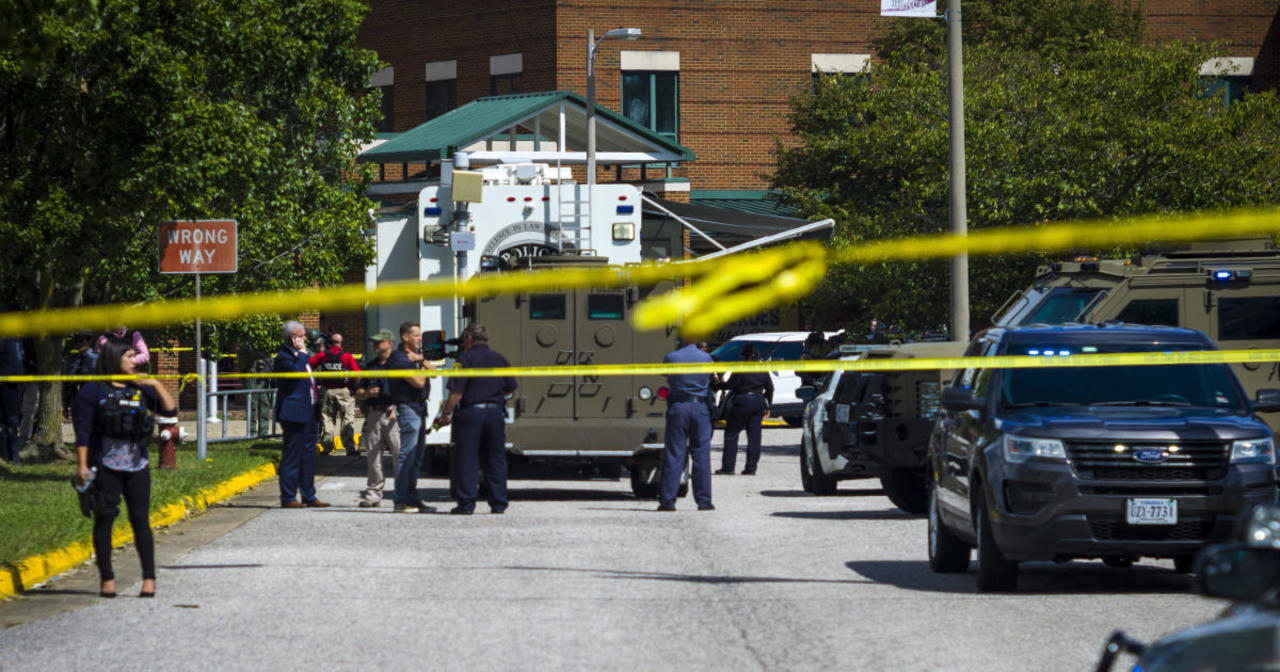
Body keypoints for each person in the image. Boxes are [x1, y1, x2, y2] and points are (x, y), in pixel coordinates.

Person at [72, 338, 176, 598]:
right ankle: (107, 578)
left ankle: (149, 578)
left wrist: (154, 383)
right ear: (114, 358)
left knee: (140, 520)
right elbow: (82, 432)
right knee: (104, 520)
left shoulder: (140, 388)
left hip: (137, 465)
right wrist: (82, 465)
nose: (134, 360)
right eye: (129, 356)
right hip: (106, 465)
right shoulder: (92, 391)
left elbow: (170, 409)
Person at [438, 324, 517, 515]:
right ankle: (498, 502)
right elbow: (511, 387)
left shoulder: (465, 360)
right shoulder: (500, 359)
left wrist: (446, 413)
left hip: (471, 414)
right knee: (495, 458)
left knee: (466, 458)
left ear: (469, 340)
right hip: (494, 413)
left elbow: (456, 393)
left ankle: (466, 504)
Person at [272, 320, 330, 509]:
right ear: (292, 338)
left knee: (308, 455)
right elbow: (296, 374)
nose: (305, 339)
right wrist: (303, 353)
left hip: (309, 411)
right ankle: (288, 497)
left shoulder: (300, 356)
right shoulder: (284, 357)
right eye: (301, 335)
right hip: (293, 413)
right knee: (292, 456)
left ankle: (309, 495)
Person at [658, 335, 715, 512]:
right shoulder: (706, 358)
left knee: (675, 454)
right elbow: (710, 380)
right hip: (700, 408)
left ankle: (668, 501)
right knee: (701, 455)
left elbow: (667, 379)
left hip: (679, 407)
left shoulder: (671, 357)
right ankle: (704, 501)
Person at [386, 321, 437, 513]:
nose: (420, 339)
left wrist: (420, 360)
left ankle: (413, 498)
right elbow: (418, 382)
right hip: (408, 409)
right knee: (406, 456)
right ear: (405, 337)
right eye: (416, 335)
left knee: (417, 458)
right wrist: (423, 365)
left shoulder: (413, 357)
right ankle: (401, 500)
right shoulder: (398, 359)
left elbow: (435, 371)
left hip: (419, 409)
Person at [715, 343, 774, 476]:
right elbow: (770, 388)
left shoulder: (740, 368)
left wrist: (718, 384)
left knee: (731, 434)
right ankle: (751, 468)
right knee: (754, 437)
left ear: (743, 355)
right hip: (758, 402)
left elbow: (731, 385)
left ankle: (728, 468)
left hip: (741, 402)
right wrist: (768, 406)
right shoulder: (763, 369)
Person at [356, 330, 399, 507]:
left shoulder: (399, 364)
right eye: (373, 342)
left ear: (389, 343)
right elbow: (358, 392)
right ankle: (373, 493)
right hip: (374, 413)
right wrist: (366, 393)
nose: (375, 345)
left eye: (379, 342)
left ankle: (402, 493)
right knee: (373, 455)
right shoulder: (370, 366)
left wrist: (398, 406)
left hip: (394, 414)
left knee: (399, 455)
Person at [308, 332, 360, 455]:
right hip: (344, 391)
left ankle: (327, 447)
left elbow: (308, 365)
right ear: (342, 343)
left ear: (329, 343)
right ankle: (349, 448)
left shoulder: (322, 355)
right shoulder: (347, 356)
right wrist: (356, 387)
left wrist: (315, 380)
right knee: (347, 419)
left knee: (327, 419)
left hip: (328, 391)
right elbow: (357, 374)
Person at [0, 337, 24, 465]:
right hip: (6, 384)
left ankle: (12, 456)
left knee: (12, 421)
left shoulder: (16, 340)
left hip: (13, 385)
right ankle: (8, 455)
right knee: (9, 422)